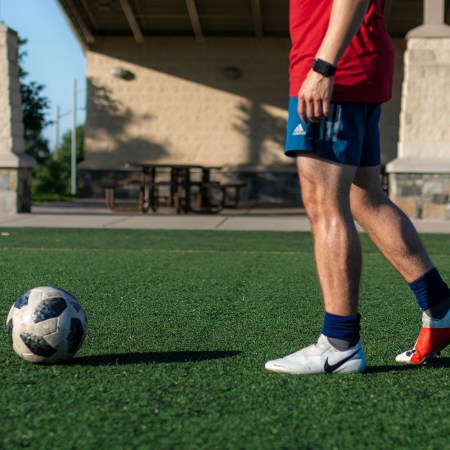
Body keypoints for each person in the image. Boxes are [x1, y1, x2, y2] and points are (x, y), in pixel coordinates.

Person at [265, 0, 450, 375]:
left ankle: (340, 343)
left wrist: (322, 67)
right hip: (356, 63)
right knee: (365, 198)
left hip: (335, 69)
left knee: (325, 204)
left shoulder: (327, 66)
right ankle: (442, 307)